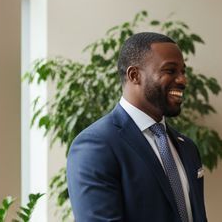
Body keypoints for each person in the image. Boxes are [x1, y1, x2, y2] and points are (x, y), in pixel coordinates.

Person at [67, 32, 207, 222]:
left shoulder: (188, 148)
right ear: (134, 75)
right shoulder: (95, 146)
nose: (183, 80)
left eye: (183, 71)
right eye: (170, 70)